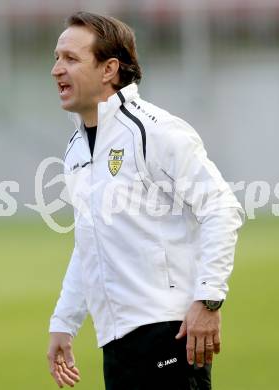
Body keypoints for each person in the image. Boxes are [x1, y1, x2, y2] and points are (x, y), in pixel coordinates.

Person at [47, 11, 244, 390]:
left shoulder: (154, 131)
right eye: (56, 58)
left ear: (109, 69)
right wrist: (64, 322)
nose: (57, 69)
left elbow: (220, 208)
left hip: (168, 331)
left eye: (71, 59)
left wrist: (209, 299)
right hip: (116, 343)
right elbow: (90, 242)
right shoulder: (75, 149)